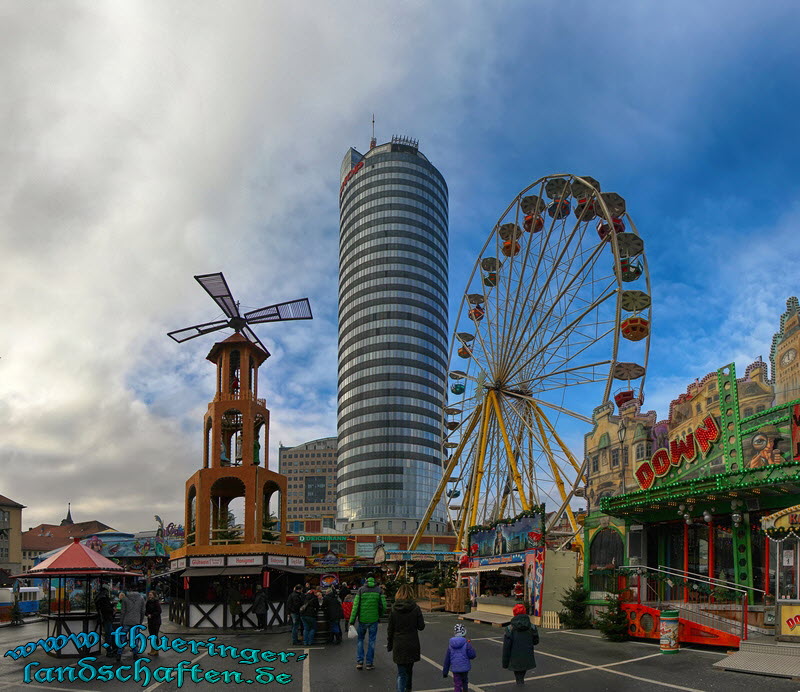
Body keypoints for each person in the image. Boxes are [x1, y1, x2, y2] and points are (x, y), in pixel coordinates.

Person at [387, 584, 425, 692]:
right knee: (409, 670)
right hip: (412, 642)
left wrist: (390, 645)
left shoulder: (394, 609)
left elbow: (390, 629)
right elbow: (421, 626)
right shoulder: (416, 608)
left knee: (401, 673)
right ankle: (409, 689)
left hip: (399, 643)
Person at [349, 575, 388, 671]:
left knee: (360, 640)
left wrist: (352, 621)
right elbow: (384, 605)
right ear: (374, 581)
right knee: (372, 641)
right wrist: (380, 615)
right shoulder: (379, 590)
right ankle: (369, 663)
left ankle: (360, 661)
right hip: (373, 619)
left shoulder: (361, 590)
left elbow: (355, 606)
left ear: (366, 581)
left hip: (362, 619)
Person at [502, 604, 538, 686]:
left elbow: (506, 647)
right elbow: (536, 641)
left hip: (514, 655)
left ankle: (519, 681)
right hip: (527, 654)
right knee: (522, 670)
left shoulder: (509, 628)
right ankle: (520, 681)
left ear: (514, 613)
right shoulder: (532, 626)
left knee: (518, 672)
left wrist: (505, 663)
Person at [442, 623, 476, 692]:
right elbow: (472, 655)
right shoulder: (466, 644)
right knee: (464, 682)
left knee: (457, 684)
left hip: (455, 668)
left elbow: (447, 659)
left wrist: (445, 672)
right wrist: (470, 646)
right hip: (464, 668)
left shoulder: (450, 645)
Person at [116, 588, 145, 663]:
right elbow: (142, 611)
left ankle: (119, 653)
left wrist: (121, 622)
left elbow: (123, 612)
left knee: (122, 638)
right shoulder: (141, 599)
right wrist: (140, 621)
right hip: (136, 621)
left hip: (126, 620)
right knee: (135, 638)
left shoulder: (125, 599)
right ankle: (135, 654)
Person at [94, 586, 117, 657]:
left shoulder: (99, 598)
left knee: (110, 633)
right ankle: (109, 650)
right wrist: (112, 609)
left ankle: (113, 648)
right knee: (109, 634)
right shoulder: (103, 598)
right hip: (107, 618)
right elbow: (106, 609)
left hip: (104, 618)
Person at [145, 591, 162, 656]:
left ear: (154, 595)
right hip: (150, 621)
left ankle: (156, 649)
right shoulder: (148, 602)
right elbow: (145, 610)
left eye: (151, 595)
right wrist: (147, 614)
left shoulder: (156, 602)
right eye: (149, 595)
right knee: (151, 635)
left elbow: (159, 611)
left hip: (156, 621)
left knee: (155, 635)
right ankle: (152, 649)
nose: (150, 596)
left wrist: (152, 615)